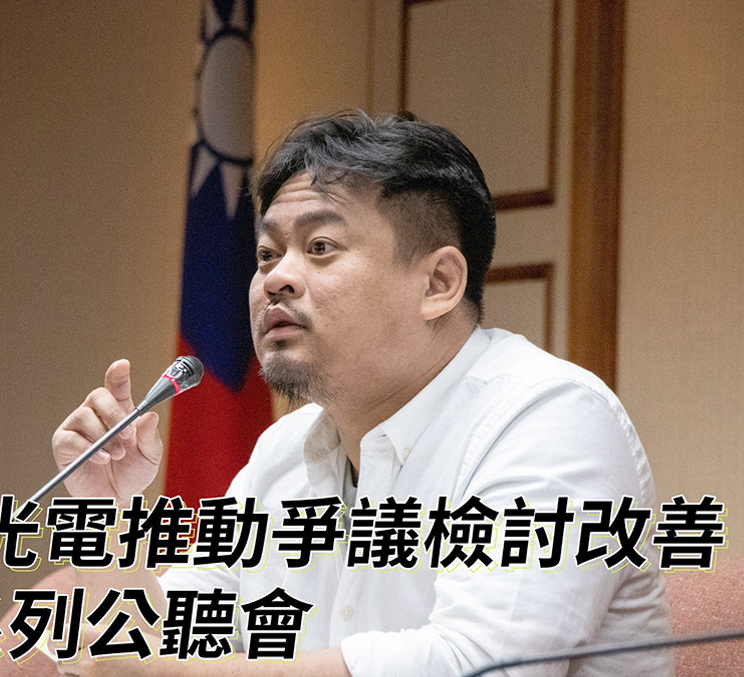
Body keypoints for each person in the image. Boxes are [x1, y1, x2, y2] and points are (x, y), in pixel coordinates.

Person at [51, 110, 673, 676]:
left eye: (320, 247)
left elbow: (478, 666)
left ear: (438, 283)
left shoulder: (551, 419)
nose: (277, 278)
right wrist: (110, 516)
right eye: (267, 254)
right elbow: (174, 639)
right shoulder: (282, 454)